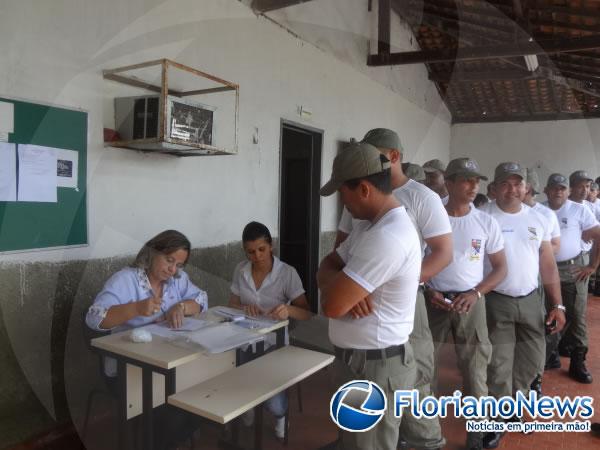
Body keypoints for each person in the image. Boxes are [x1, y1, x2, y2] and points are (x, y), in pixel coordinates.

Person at [336, 129, 452, 450]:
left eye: (377, 155)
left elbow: (443, 251)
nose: (370, 162)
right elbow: (340, 248)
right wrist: (354, 285)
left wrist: (401, 282)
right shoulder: (360, 196)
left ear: (395, 156)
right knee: (364, 372)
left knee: (414, 378)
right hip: (360, 294)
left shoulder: (420, 197)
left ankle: (423, 441)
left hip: (406, 301)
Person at [318, 142, 421, 450]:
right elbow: (327, 264)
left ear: (363, 189)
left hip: (375, 368)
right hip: (362, 363)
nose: (342, 200)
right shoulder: (369, 227)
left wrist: (339, 289)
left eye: (342, 192)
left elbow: (332, 305)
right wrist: (341, 284)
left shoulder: (387, 236)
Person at [86, 229, 208, 450]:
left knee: (205, 395)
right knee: (171, 413)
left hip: (168, 363)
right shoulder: (126, 280)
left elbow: (201, 299)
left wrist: (180, 306)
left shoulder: (177, 280)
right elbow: (94, 318)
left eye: (179, 265)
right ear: (152, 252)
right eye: (169, 260)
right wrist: (136, 308)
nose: (172, 270)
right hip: (128, 370)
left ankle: (168, 436)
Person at [479, 163, 565, 449]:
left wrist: (559, 306)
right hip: (496, 300)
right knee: (500, 364)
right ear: (493, 188)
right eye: (505, 183)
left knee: (532, 361)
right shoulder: (483, 216)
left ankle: (515, 404)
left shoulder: (538, 218)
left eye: (518, 183)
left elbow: (548, 264)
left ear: (526, 188)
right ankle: (498, 419)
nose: (512, 189)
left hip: (531, 299)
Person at [424, 157, 507, 450]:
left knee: (474, 368)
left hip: (471, 301)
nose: (473, 186)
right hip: (432, 300)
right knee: (425, 364)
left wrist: (476, 293)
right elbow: (414, 261)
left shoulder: (485, 222)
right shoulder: (432, 219)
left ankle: (476, 433)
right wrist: (426, 288)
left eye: (476, 181)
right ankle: (424, 430)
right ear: (448, 183)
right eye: (466, 180)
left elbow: (500, 268)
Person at [229, 221, 311, 439]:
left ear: (271, 245)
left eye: (261, 249)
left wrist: (288, 310)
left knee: (274, 404)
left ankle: (281, 416)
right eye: (251, 252)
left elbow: (307, 312)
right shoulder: (241, 270)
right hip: (243, 339)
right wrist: (243, 307)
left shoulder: (287, 273)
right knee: (234, 380)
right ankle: (247, 407)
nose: (257, 256)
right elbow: (231, 305)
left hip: (274, 344)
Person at [544, 173, 600, 383]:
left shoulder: (579, 209)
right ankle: (551, 355)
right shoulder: (539, 210)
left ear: (567, 191)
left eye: (562, 188)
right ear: (547, 190)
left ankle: (578, 362)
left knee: (576, 315)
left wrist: (592, 266)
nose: (558, 191)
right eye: (554, 188)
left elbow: (598, 235)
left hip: (572, 269)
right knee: (547, 313)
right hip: (545, 271)